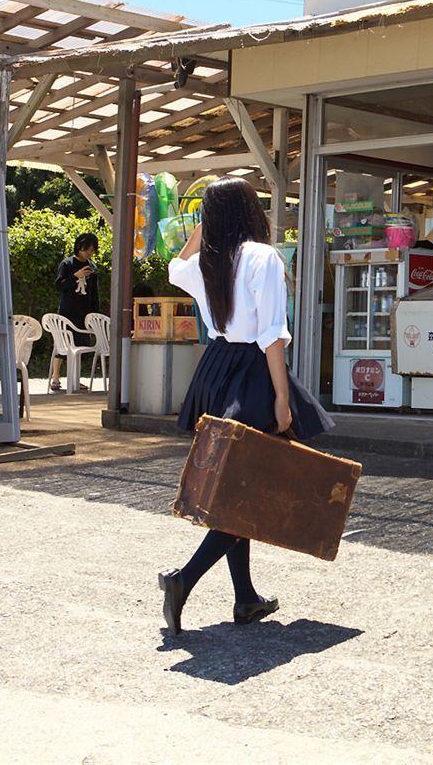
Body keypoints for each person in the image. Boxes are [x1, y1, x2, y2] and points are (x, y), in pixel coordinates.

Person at [158, 177, 332, 634]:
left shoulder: (206, 262)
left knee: (238, 482)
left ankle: (245, 598)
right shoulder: (261, 257)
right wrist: (281, 397)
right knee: (247, 488)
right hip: (252, 372)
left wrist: (201, 229)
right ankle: (184, 580)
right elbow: (272, 334)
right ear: (252, 210)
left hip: (215, 369)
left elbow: (176, 266)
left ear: (209, 219)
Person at [49, 232, 101, 392]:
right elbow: (59, 286)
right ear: (79, 248)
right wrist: (75, 276)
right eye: (87, 250)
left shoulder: (92, 268)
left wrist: (94, 316)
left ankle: (75, 379)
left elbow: (94, 293)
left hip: (84, 313)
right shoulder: (67, 264)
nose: (89, 253)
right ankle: (55, 377)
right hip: (67, 312)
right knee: (62, 346)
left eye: (92, 251)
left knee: (81, 347)